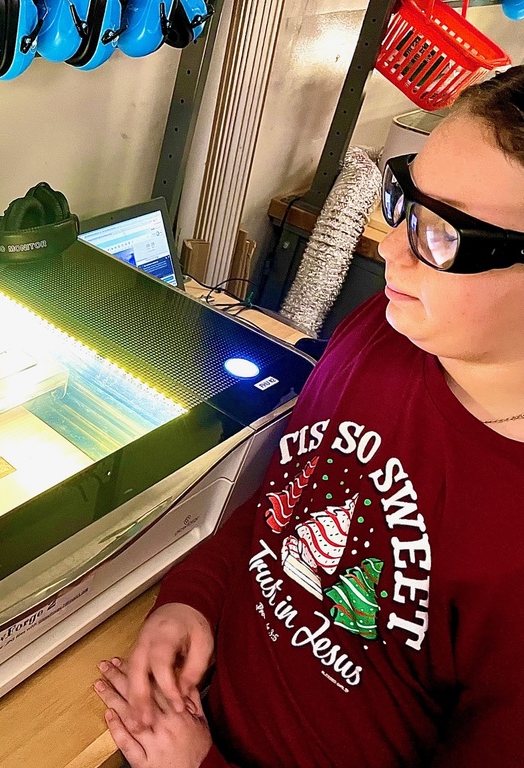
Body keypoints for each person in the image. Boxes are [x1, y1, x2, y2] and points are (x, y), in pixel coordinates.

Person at [93, 65, 524, 768]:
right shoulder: (386, 333)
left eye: (442, 234)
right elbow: (287, 504)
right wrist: (196, 597)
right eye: (403, 198)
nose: (390, 248)